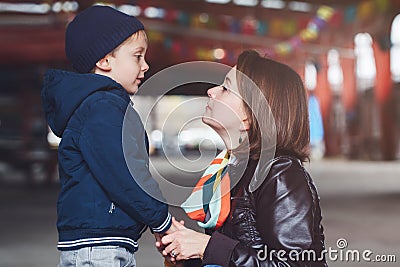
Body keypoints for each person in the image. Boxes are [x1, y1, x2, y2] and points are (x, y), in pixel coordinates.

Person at [157, 50, 327, 266]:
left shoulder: (280, 174)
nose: (211, 91)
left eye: (226, 88)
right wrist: (185, 253)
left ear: (249, 115)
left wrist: (206, 247)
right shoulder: (231, 168)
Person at [41, 5, 175, 267]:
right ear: (104, 61)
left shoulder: (105, 105)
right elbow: (125, 173)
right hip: (98, 247)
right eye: (137, 56)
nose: (145, 65)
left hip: (104, 242)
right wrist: (162, 220)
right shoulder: (102, 107)